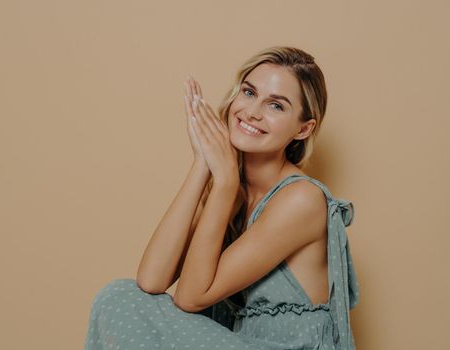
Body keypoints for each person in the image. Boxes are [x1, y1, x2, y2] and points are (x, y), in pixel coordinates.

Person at [84, 46, 360, 350]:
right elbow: (151, 280)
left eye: (276, 106)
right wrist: (203, 163)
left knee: (123, 300)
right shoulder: (231, 187)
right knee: (121, 296)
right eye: (249, 92)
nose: (252, 112)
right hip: (240, 342)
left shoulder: (302, 199)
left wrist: (226, 182)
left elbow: (190, 297)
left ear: (304, 129)